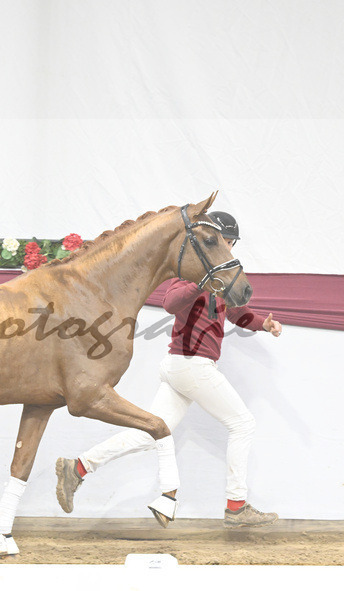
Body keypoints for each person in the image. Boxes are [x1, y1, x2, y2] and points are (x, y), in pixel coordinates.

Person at [55, 211, 283, 528]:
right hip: (192, 365)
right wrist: (201, 284)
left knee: (149, 434)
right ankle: (236, 506)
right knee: (242, 424)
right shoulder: (194, 272)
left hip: (182, 367)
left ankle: (78, 467)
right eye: (226, 241)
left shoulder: (220, 278)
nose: (229, 249)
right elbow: (170, 302)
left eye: (231, 243)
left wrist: (263, 324)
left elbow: (236, 314)